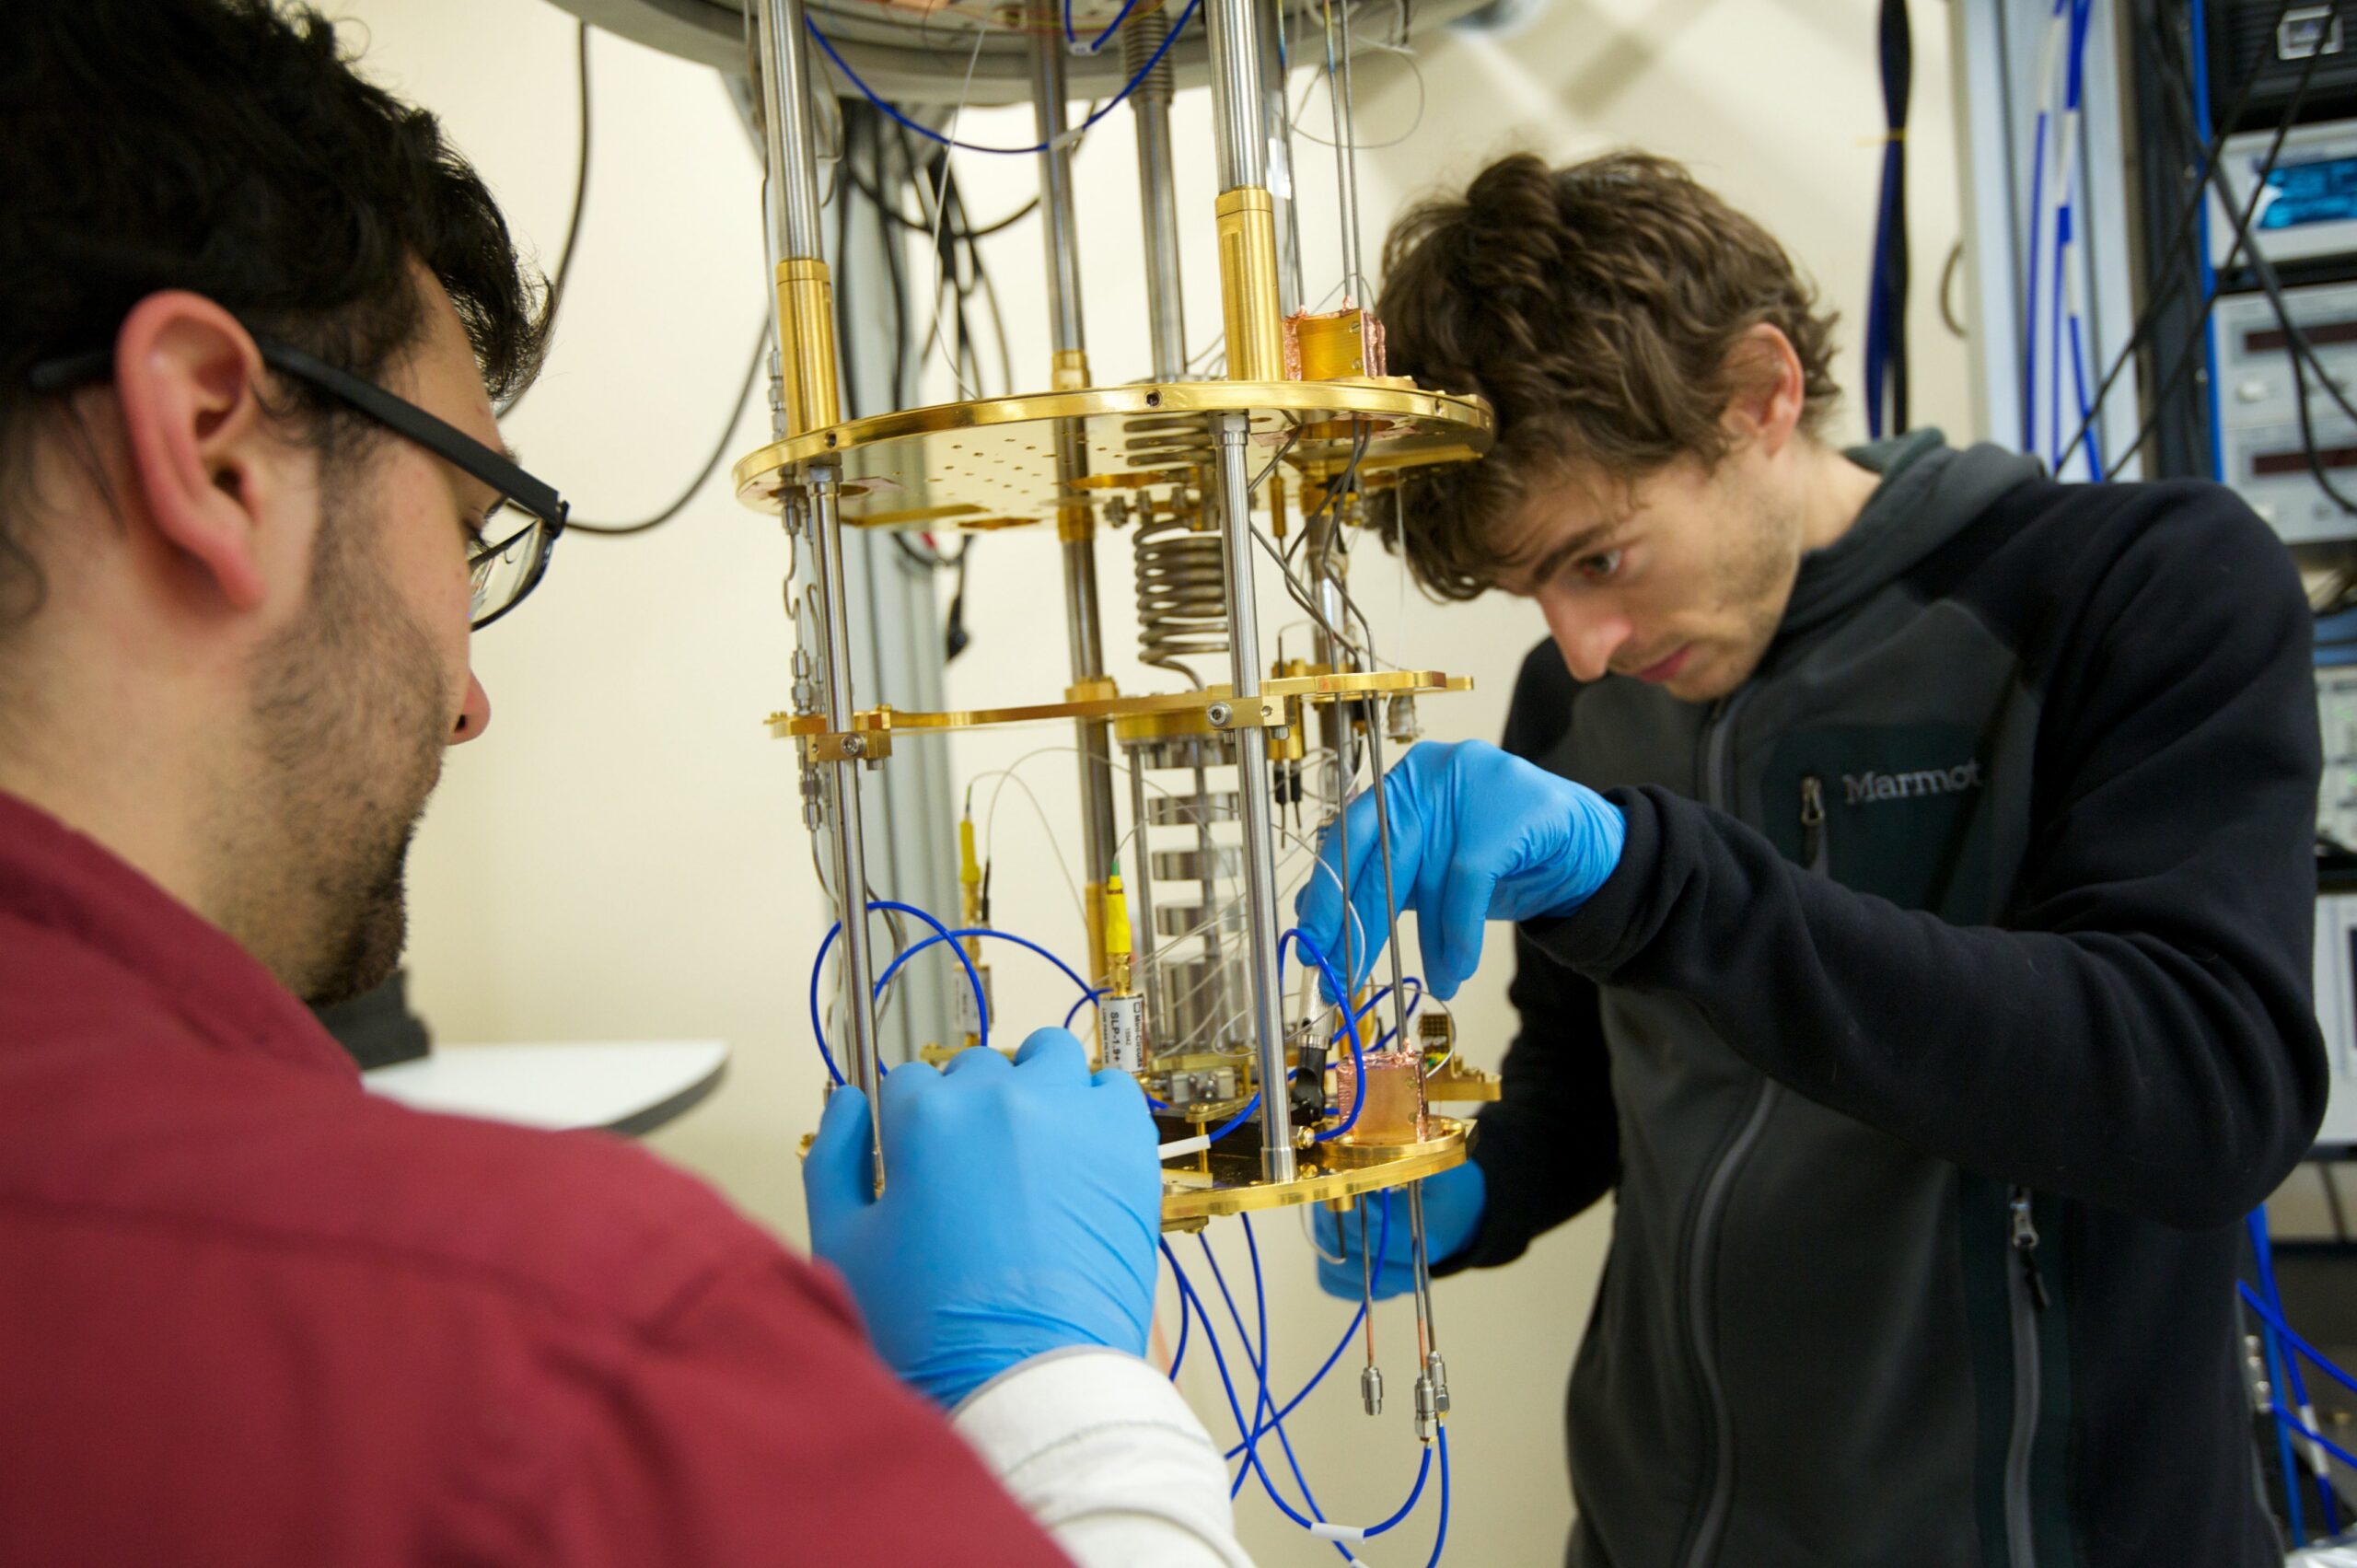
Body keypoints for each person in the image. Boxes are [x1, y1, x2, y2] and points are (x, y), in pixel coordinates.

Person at [0, 4, 1248, 1563]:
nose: (468, 704)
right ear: (213, 444)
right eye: (471, 526)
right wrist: (1061, 1399)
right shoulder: (550, 1353)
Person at [1301, 151, 2327, 1568]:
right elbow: (1590, 1089)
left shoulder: (2132, 595)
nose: (1581, 648)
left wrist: (1657, 883)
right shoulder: (1581, 709)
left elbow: (2206, 1091)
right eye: (1532, 589)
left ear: (1761, 395)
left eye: (1598, 559)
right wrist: (1471, 1186)